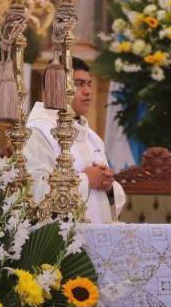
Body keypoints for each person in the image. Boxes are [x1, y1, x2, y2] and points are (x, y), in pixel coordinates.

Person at [26, 57, 127, 223]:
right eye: (79, 84)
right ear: (55, 87)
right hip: (61, 236)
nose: (87, 91)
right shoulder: (38, 132)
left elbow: (109, 200)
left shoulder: (92, 138)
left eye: (89, 84)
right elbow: (34, 192)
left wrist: (108, 187)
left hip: (98, 234)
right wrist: (86, 180)